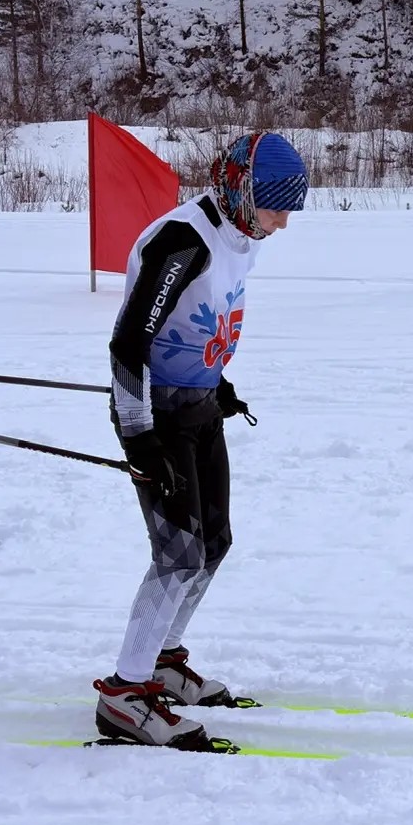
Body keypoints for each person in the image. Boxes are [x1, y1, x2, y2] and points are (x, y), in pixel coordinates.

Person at [94, 132, 309, 750]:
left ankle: (161, 661)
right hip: (155, 415)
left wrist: (217, 382)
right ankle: (125, 696)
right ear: (240, 189)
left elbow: (196, 323)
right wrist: (139, 437)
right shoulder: (183, 240)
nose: (282, 223)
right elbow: (129, 343)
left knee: (213, 543)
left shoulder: (241, 236)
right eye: (274, 207)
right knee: (179, 554)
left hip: (198, 407)